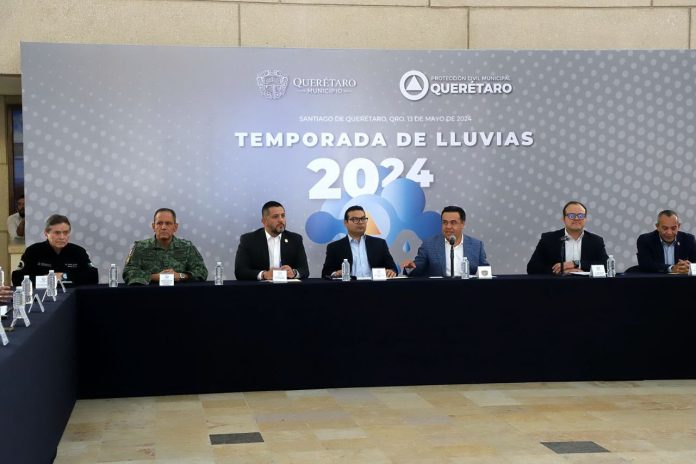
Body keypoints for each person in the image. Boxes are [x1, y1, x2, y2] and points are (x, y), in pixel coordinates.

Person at [123, 208, 208, 285]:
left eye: (168, 223)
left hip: (180, 294)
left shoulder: (187, 247)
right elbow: (128, 272)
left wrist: (180, 275)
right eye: (159, 223)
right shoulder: (140, 247)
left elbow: (202, 271)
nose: (163, 227)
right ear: (153, 226)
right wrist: (155, 277)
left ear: (175, 227)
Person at [11, 214, 98, 286]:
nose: (62, 237)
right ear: (46, 233)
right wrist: (46, 279)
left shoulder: (78, 252)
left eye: (66, 233)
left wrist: (64, 277)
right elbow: (17, 279)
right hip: (41, 297)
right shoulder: (33, 251)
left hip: (72, 296)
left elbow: (93, 276)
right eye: (57, 233)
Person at [401, 205, 488, 277]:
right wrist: (410, 267)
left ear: (462, 224)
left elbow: (485, 271)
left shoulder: (476, 245)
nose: (448, 226)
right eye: (445, 222)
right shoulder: (429, 245)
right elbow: (417, 269)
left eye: (453, 222)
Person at [527, 201, 608, 275]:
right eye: (571, 215)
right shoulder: (548, 239)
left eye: (580, 216)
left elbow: (606, 265)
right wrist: (562, 271)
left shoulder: (596, 241)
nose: (576, 218)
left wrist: (576, 264)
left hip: (587, 285)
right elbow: (532, 267)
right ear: (563, 219)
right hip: (557, 285)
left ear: (585, 219)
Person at [234, 201, 309, 280]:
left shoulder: (295, 239)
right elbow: (240, 272)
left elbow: (305, 270)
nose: (281, 220)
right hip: (260, 287)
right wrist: (264, 274)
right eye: (275, 217)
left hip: (287, 286)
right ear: (264, 221)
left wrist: (294, 273)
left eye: (283, 216)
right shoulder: (249, 240)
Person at [321, 205, 398, 278]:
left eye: (363, 219)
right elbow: (326, 272)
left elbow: (393, 268)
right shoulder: (334, 247)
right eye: (355, 219)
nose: (360, 222)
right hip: (348, 286)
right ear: (345, 223)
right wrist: (335, 274)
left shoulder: (379, 244)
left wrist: (391, 271)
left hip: (374, 285)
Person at [636, 210, 696, 274]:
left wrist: (690, 267)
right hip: (656, 279)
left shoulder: (688, 239)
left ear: (678, 226)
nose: (669, 232)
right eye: (665, 228)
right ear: (657, 227)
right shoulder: (645, 240)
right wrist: (671, 268)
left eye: (673, 228)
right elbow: (645, 264)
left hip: (682, 280)